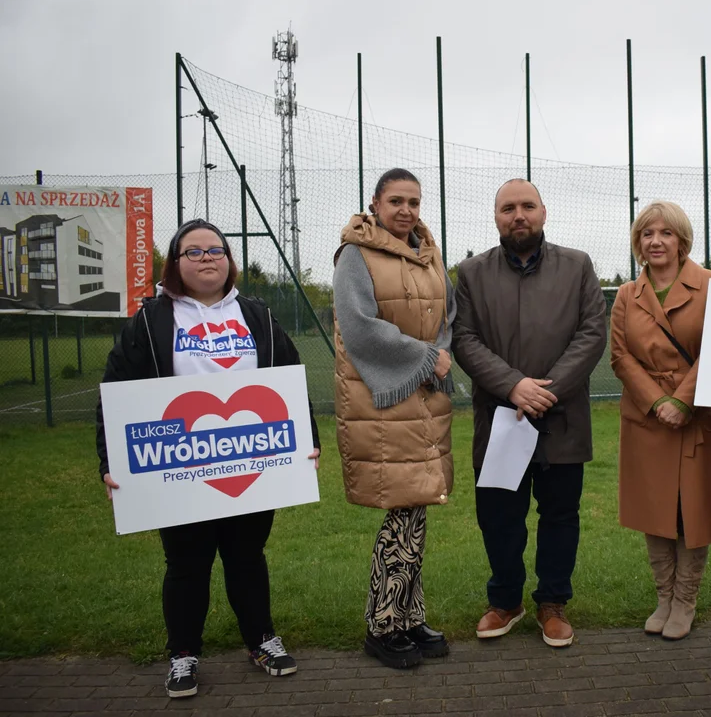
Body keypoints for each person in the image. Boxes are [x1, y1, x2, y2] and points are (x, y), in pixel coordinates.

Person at [95, 218, 321, 699]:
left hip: (252, 463)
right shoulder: (150, 320)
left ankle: (261, 639)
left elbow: (291, 377)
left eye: (215, 250)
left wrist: (309, 440)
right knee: (186, 563)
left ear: (229, 260)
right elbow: (115, 392)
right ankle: (182, 654)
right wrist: (109, 459)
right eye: (193, 252)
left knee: (246, 555)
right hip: (178, 464)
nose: (206, 259)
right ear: (175, 263)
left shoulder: (256, 314)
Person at [452, 178, 606, 648]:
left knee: (560, 517)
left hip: (561, 421)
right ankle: (506, 602)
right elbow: (464, 340)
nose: (518, 215)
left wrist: (546, 391)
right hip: (502, 420)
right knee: (499, 519)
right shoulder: (471, 273)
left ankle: (552, 604)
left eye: (527, 206)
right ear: (495, 217)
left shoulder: (577, 266)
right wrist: (513, 386)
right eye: (507, 208)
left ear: (544, 211)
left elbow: (592, 333)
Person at [332, 168, 455, 670]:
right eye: (396, 201)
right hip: (382, 399)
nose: (406, 210)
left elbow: (447, 317)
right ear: (375, 204)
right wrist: (427, 358)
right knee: (403, 514)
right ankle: (381, 625)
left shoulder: (429, 253)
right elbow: (359, 328)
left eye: (414, 202)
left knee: (416, 510)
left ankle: (408, 616)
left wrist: (438, 356)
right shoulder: (355, 255)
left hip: (424, 397)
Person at [609, 201, 711, 640]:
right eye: (647, 233)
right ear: (639, 242)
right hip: (646, 418)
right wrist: (658, 402)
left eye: (666, 233)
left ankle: (685, 601)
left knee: (690, 510)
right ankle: (663, 596)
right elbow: (620, 356)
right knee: (654, 510)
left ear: (682, 240)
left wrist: (683, 401)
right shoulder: (625, 295)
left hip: (698, 415)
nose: (655, 241)